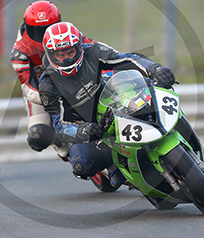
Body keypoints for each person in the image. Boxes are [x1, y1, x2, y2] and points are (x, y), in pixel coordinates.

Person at [38, 21, 177, 184]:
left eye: (70, 52)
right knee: (82, 165)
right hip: (84, 123)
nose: (66, 58)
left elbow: (127, 59)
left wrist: (155, 69)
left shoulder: (93, 51)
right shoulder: (48, 84)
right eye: (60, 55)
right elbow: (59, 126)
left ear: (79, 47)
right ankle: (114, 166)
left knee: (146, 91)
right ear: (50, 54)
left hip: (109, 97)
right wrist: (88, 130)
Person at [10, 0, 95, 157]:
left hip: (75, 82)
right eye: (38, 31)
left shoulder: (67, 35)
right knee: (38, 136)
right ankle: (60, 142)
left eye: (47, 28)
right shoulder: (20, 52)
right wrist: (55, 97)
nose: (44, 35)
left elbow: (97, 49)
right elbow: (29, 89)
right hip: (41, 93)